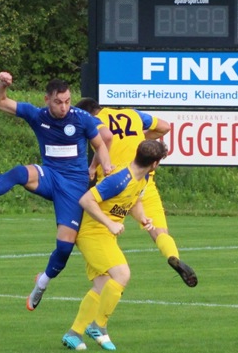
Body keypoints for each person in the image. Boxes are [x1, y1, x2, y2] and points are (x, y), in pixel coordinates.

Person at [0, 72, 112, 311]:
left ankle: (41, 283)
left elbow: (101, 144)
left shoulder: (82, 119)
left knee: (64, 248)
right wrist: (2, 84)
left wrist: (106, 166)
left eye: (68, 101)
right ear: (46, 100)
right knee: (21, 172)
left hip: (74, 187)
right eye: (58, 102)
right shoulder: (37, 115)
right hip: (50, 176)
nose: (64, 107)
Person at [77, 98, 197, 288]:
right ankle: (172, 256)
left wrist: (93, 165)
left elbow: (106, 140)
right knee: (158, 230)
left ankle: (103, 278)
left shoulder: (95, 121)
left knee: (99, 233)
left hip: (114, 184)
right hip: (143, 180)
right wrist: (142, 141)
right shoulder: (133, 114)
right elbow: (164, 127)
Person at [63, 139, 168, 351]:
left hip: (103, 234)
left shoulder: (143, 177)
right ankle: (98, 326)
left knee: (103, 286)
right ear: (155, 163)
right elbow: (86, 200)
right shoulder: (120, 179)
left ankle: (74, 333)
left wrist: (143, 219)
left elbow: (134, 202)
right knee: (122, 275)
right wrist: (109, 223)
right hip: (92, 233)